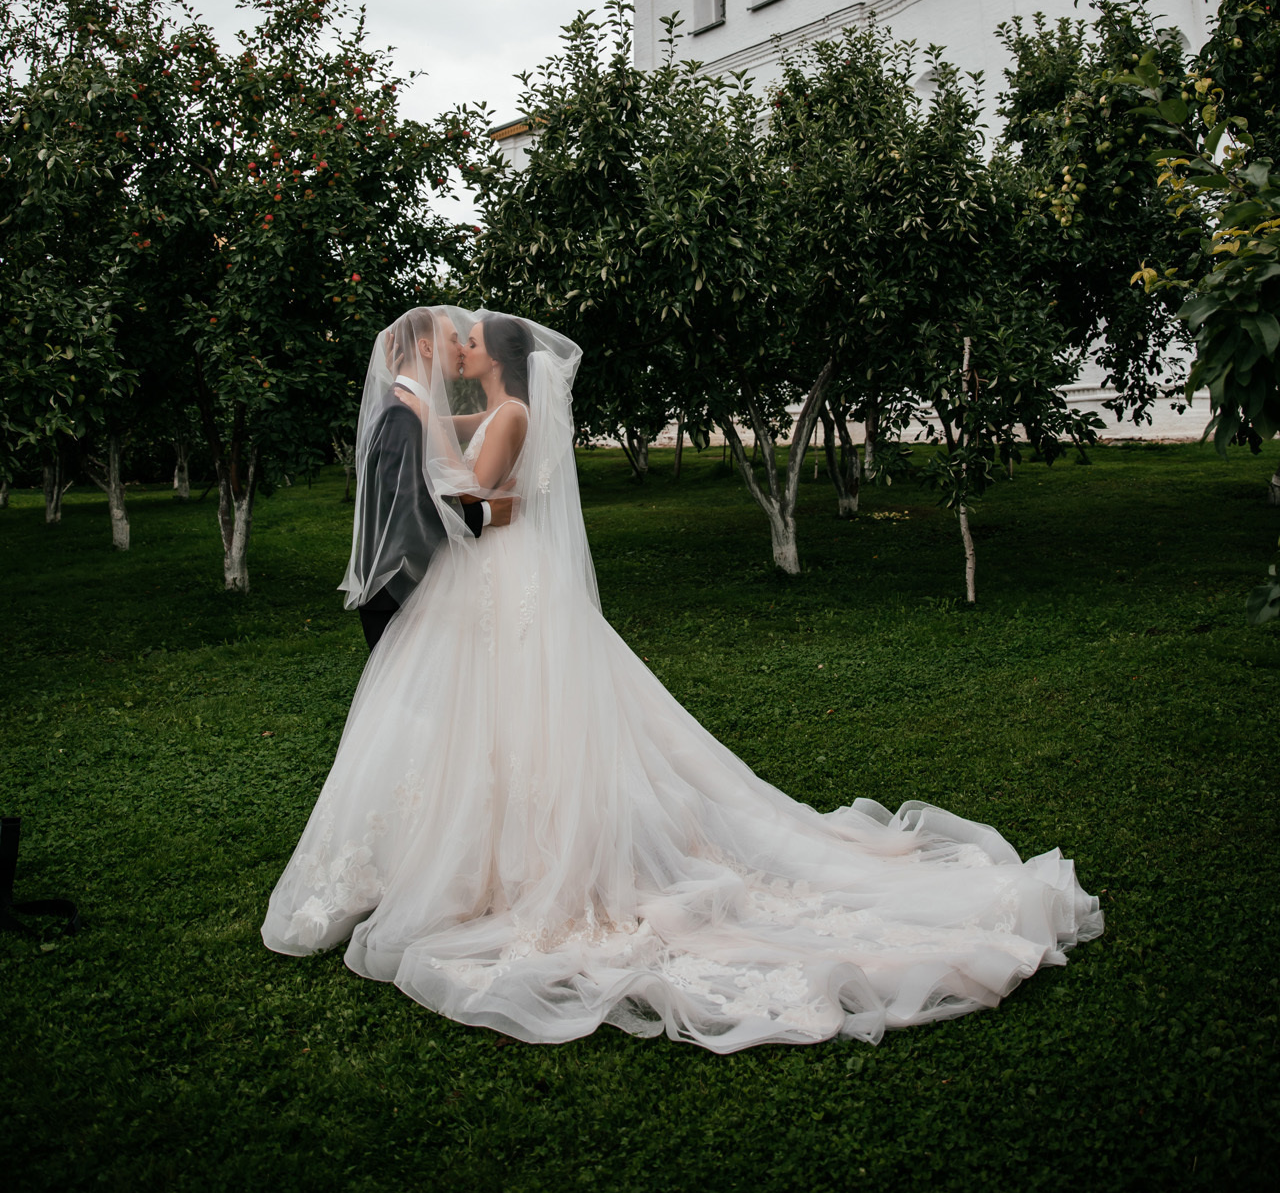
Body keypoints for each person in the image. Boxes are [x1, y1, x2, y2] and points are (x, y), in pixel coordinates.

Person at [264, 310, 1102, 1052]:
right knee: (507, 719)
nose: (466, 340)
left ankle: (528, 855)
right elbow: (475, 470)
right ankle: (493, 842)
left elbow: (477, 497)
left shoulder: (511, 412)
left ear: (501, 360)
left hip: (505, 580)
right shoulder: (501, 406)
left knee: (526, 715)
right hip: (501, 582)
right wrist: (424, 412)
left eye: (476, 339)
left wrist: (432, 429)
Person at [338, 308, 510, 650]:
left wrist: (503, 412)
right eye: (452, 339)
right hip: (396, 588)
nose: (460, 348)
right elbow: (409, 508)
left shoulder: (406, 403)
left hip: (401, 582)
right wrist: (487, 514)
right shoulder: (402, 413)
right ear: (427, 348)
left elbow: (440, 432)